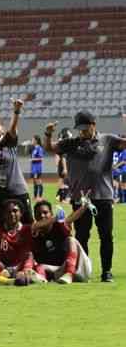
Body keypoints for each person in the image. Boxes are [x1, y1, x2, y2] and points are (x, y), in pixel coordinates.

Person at [43, 111, 126, 282]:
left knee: (106, 236)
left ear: (93, 125)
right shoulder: (70, 143)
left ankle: (107, 271)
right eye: (79, 129)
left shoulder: (108, 140)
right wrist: (48, 133)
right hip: (80, 199)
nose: (82, 132)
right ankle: (84, 271)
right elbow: (49, 148)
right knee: (81, 236)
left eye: (85, 128)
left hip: (103, 196)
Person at [31, 200, 91, 283]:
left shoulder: (59, 225)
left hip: (75, 268)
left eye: (45, 213)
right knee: (40, 266)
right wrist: (55, 218)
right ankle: (42, 280)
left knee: (71, 240)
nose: (42, 216)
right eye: (38, 214)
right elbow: (36, 225)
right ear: (35, 216)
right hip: (57, 271)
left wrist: (85, 206)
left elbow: (71, 218)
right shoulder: (35, 230)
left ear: (51, 213)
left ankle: (69, 274)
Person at [30, 135, 45, 200]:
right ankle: (35, 196)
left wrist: (32, 160)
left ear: (36, 140)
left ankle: (40, 197)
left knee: (38, 182)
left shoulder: (39, 148)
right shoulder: (34, 148)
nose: (32, 141)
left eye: (33, 140)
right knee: (34, 182)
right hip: (33, 168)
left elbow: (41, 158)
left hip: (37, 168)